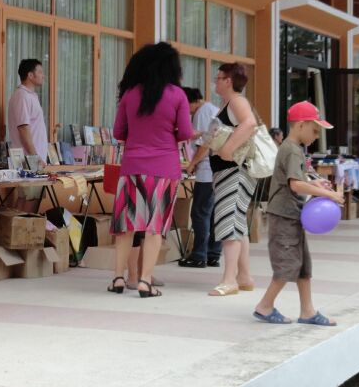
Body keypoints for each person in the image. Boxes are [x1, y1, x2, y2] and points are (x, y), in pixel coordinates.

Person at [107, 43, 194, 298]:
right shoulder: (178, 95)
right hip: (164, 168)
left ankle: (118, 278)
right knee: (154, 227)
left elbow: (118, 132)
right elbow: (185, 133)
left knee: (126, 226)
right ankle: (145, 281)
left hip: (132, 167)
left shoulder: (130, 94)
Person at [253, 101, 343, 326]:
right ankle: (264, 307)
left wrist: (315, 183)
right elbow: (295, 185)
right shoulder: (292, 150)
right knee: (287, 265)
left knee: (303, 266)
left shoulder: (293, 148)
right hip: (284, 215)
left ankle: (308, 311)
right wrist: (330, 195)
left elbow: (296, 180)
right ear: (301, 125)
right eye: (315, 130)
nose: (316, 136)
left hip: (292, 215)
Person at [192, 62, 257, 297]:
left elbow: (250, 123)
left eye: (218, 78)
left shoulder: (237, 101)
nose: (215, 82)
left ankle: (229, 280)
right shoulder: (229, 104)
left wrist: (228, 149)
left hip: (233, 171)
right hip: (230, 171)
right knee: (238, 224)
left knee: (228, 222)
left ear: (228, 81)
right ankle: (244, 276)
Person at [183, 87, 221, 268]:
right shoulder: (212, 109)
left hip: (207, 171)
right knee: (212, 214)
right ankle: (213, 253)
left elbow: (205, 144)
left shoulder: (202, 113)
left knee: (199, 213)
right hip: (217, 170)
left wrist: (192, 164)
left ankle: (199, 255)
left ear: (192, 102)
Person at [7, 58, 47, 210]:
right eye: (40, 72)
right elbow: (23, 128)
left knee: (30, 200)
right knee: (28, 202)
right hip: (28, 159)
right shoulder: (22, 96)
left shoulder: (30, 96)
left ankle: (21, 226)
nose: (43, 75)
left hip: (32, 158)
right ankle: (20, 227)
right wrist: (35, 157)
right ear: (30, 75)